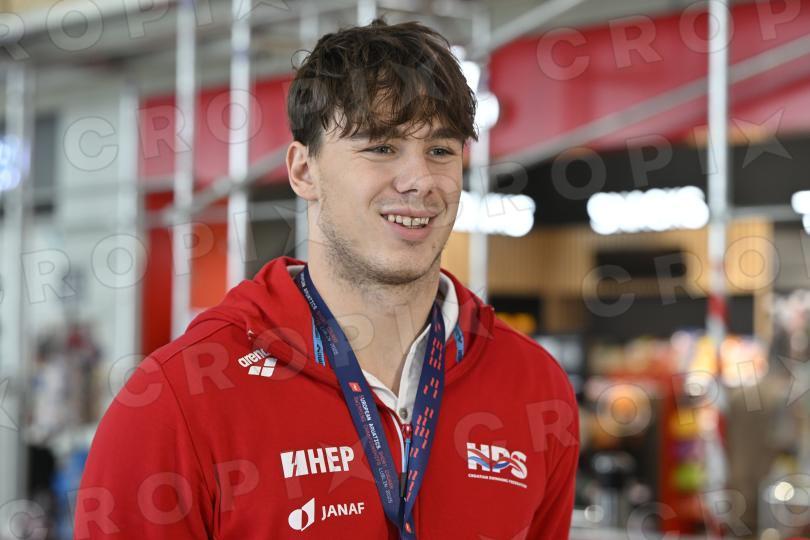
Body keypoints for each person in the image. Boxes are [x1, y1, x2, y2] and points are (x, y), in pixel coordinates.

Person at [74, 17, 579, 539]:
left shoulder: (535, 387)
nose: (420, 180)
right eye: (381, 147)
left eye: (440, 150)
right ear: (303, 171)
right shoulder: (179, 400)